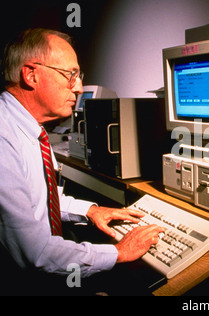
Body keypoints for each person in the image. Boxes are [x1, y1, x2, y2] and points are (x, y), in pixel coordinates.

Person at [0, 28, 164, 295]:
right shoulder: (3, 138)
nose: (78, 87)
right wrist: (118, 253)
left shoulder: (31, 130)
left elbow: (38, 200)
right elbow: (35, 253)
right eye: (70, 75)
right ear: (31, 75)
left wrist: (89, 211)